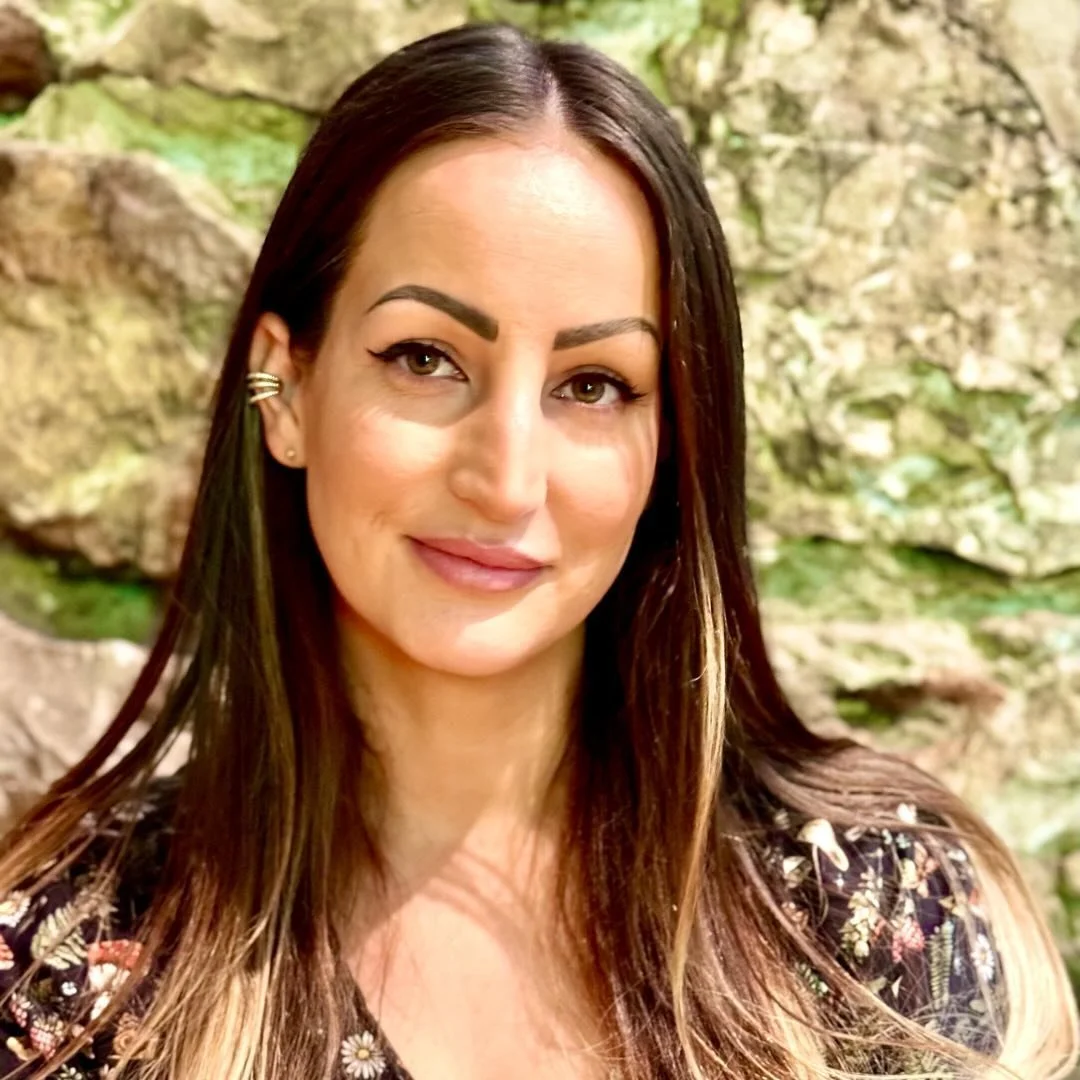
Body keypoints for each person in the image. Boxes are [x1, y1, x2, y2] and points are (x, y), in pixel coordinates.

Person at [0, 20, 1076, 1080]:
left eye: (594, 385)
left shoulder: (870, 917)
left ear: (674, 437)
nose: (506, 478)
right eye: (425, 358)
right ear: (285, 389)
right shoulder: (65, 985)